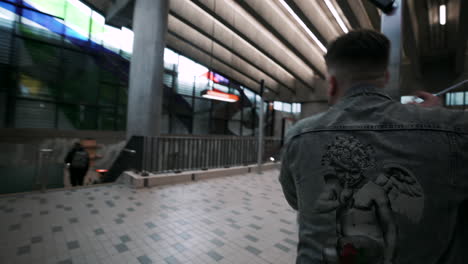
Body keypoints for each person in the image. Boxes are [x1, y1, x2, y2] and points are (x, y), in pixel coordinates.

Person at [279, 29, 468, 264]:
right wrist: (437, 121)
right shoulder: (455, 129)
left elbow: (298, 201)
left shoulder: (300, 135)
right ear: (385, 78)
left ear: (332, 84)